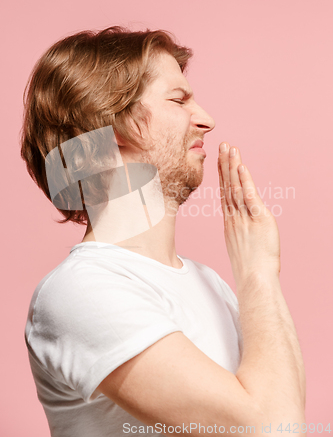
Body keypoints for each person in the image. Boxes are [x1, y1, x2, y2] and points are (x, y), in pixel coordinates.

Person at [21, 26, 306, 437]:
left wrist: (261, 273)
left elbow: (287, 412)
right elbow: (272, 429)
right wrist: (258, 275)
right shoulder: (80, 291)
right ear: (112, 123)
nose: (206, 120)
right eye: (179, 99)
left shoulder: (210, 284)